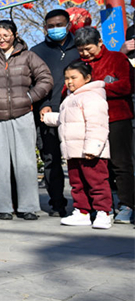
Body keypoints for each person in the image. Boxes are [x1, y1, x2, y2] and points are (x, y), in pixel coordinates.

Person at [0, 20, 53, 220]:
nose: (1, 40)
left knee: (25, 163)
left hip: (23, 113)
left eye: (6, 35)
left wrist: (30, 97)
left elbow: (45, 78)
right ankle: (1, 207)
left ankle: (28, 207)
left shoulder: (28, 56)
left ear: (15, 35)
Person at [41, 61, 112, 229]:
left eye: (74, 77)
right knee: (77, 183)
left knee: (97, 182)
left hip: (91, 152)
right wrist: (49, 118)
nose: (69, 82)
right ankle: (82, 212)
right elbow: (66, 120)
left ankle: (103, 212)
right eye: (66, 78)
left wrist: (92, 148)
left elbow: (97, 125)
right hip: (73, 151)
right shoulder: (71, 98)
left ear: (87, 78)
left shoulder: (92, 97)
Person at [74, 26, 134, 224]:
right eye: (81, 49)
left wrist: (97, 87)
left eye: (88, 48)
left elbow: (126, 85)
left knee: (121, 163)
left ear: (100, 43)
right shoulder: (79, 65)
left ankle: (126, 204)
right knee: (96, 165)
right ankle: (101, 206)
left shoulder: (117, 59)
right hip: (91, 123)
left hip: (117, 118)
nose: (85, 53)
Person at [30, 8, 81, 217]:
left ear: (68, 25)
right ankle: (57, 202)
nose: (55, 29)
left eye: (59, 25)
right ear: (44, 28)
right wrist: (43, 104)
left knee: (79, 156)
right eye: (50, 26)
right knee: (51, 158)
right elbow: (32, 82)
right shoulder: (36, 52)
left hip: (78, 111)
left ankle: (84, 204)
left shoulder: (80, 47)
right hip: (47, 112)